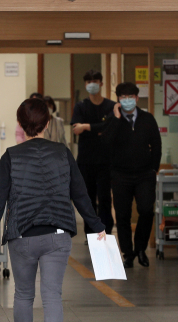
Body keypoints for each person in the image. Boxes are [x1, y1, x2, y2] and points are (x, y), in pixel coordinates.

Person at [0, 98, 106, 322]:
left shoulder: (11, 156)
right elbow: (80, 193)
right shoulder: (62, 153)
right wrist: (97, 226)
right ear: (48, 123)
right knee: (52, 296)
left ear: (21, 126)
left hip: (22, 236)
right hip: (57, 234)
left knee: (23, 294)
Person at [101, 82, 161, 268]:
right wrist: (117, 119)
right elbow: (105, 142)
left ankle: (140, 249)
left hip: (144, 174)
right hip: (120, 175)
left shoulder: (147, 119)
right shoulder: (112, 120)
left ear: (137, 98)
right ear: (118, 100)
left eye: (130, 96)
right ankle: (128, 253)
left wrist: (153, 169)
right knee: (123, 215)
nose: (127, 100)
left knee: (145, 210)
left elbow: (157, 145)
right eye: (123, 97)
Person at [71, 69, 116, 237]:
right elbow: (76, 129)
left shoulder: (110, 106)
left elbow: (109, 128)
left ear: (101, 83)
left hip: (105, 160)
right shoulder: (81, 106)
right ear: (85, 84)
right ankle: (90, 232)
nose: (92, 84)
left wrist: (87, 127)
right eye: (89, 82)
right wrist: (96, 129)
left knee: (105, 198)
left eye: (95, 81)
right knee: (87, 198)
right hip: (86, 160)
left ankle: (106, 230)